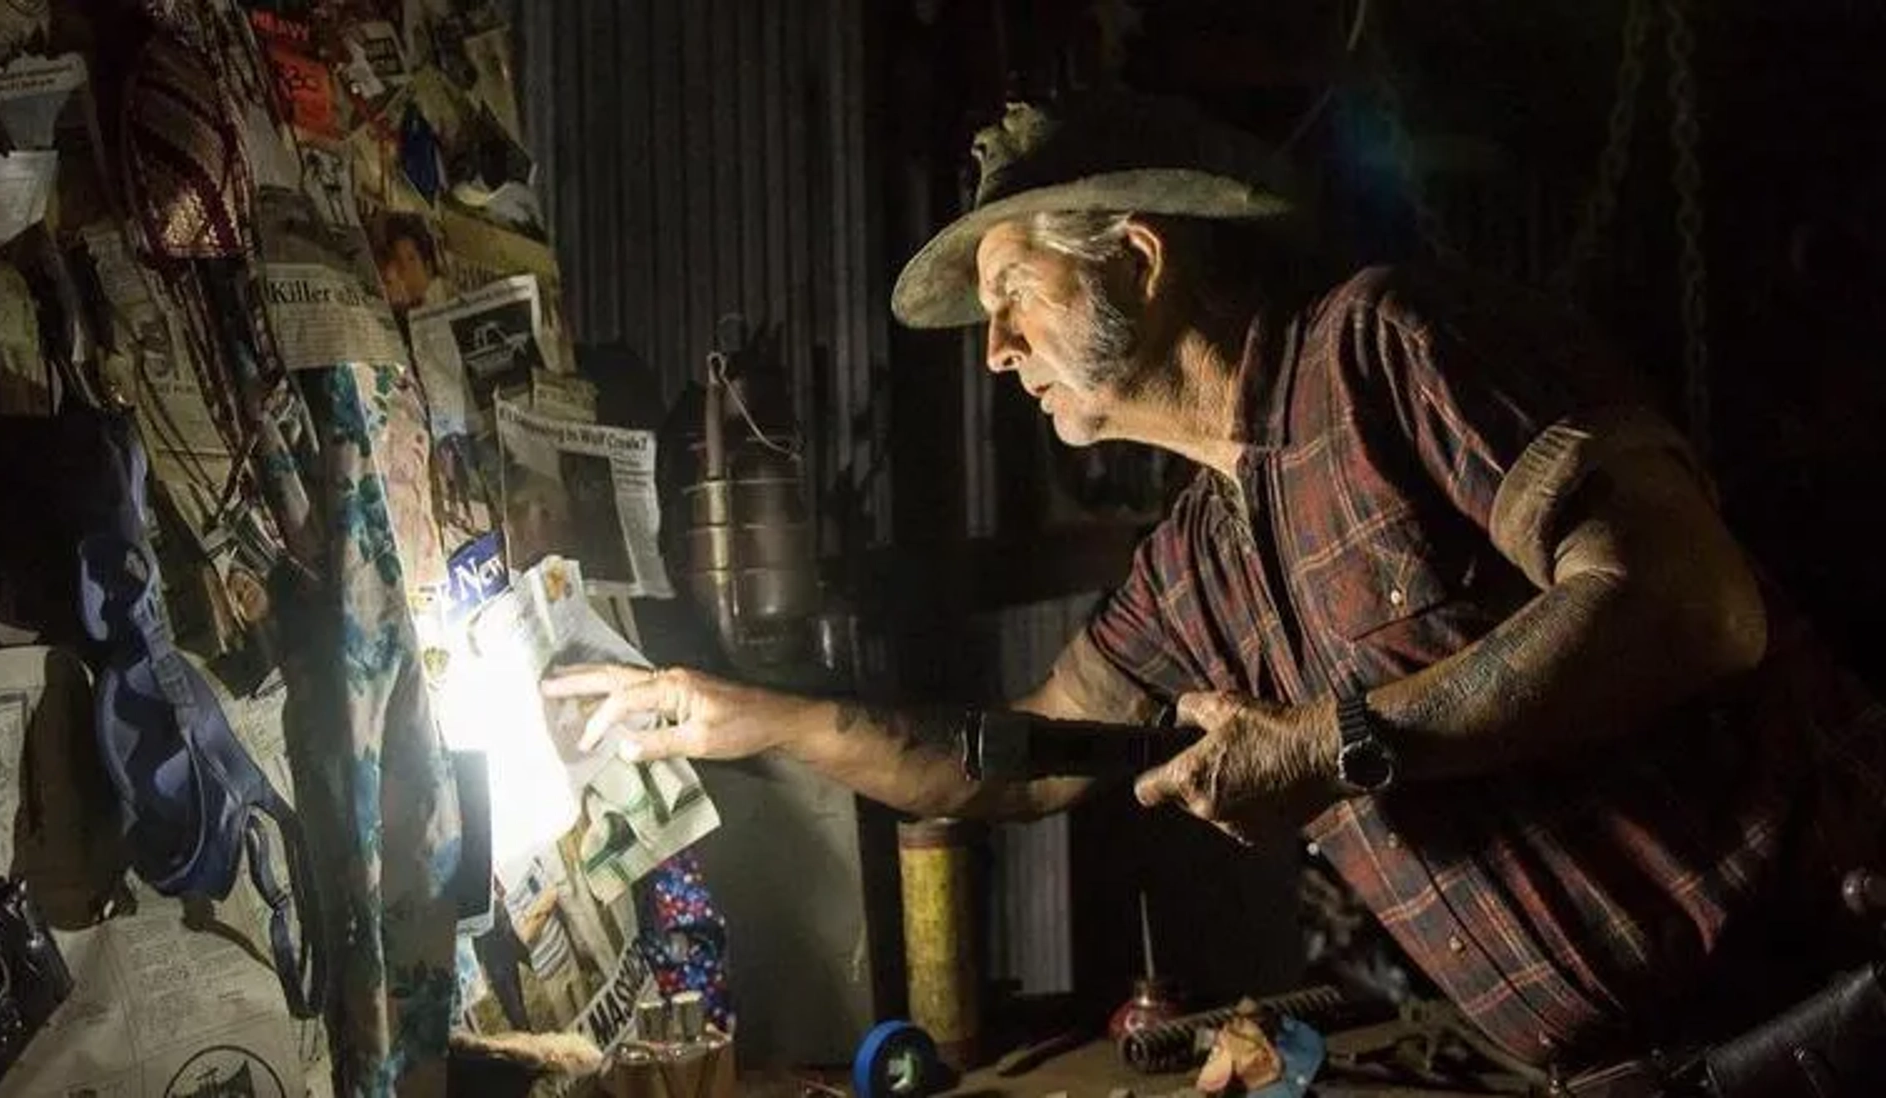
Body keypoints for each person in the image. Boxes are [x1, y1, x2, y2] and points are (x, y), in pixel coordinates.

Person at [542, 94, 1886, 1086]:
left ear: (1135, 255)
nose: (997, 350)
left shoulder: (1387, 350)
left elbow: (1693, 602)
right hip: (1630, 1068)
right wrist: (740, 712)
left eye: (1016, 292)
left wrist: (1339, 740)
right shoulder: (1200, 555)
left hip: (1831, 994)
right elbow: (1008, 761)